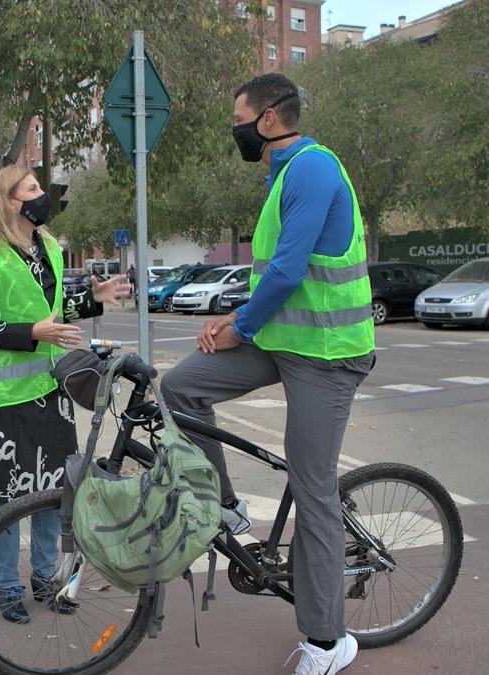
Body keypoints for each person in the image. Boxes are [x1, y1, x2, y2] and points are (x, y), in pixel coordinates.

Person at [159, 74, 374, 674]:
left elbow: (288, 270)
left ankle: (330, 643)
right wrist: (236, 316)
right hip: (285, 340)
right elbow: (272, 279)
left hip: (328, 353)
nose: (237, 130)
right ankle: (226, 506)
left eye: (240, 118)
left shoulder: (310, 168)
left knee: (313, 490)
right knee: (181, 387)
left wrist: (238, 328)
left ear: (271, 118)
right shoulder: (282, 174)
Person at [0, 165, 130, 624]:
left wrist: (94, 299)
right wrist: (32, 332)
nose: (42, 195)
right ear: (10, 201)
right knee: (8, 504)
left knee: (56, 494)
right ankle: (6, 586)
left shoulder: (50, 247)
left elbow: (52, 314)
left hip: (52, 392)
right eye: (32, 188)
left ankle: (45, 578)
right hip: (4, 400)